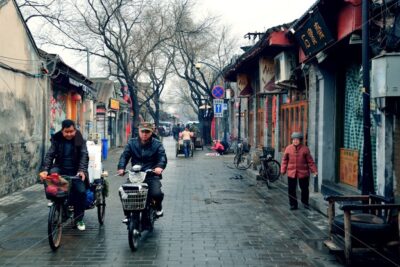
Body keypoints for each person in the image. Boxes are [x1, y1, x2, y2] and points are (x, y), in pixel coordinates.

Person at [40, 119, 89, 231]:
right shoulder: (57, 139)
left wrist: (82, 170)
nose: (69, 134)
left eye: (71, 131)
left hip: (76, 171)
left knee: (81, 192)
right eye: (66, 132)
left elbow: (83, 155)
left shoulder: (79, 139)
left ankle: (79, 219)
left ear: (75, 130)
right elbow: (50, 155)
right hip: (61, 168)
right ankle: (59, 209)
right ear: (62, 131)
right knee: (51, 179)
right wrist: (45, 170)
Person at [117, 122, 167, 217]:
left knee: (156, 194)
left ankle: (158, 207)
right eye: (142, 131)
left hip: (151, 175)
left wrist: (159, 167)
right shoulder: (132, 143)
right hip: (135, 175)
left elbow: (162, 157)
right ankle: (128, 215)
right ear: (139, 132)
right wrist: (121, 167)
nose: (144, 134)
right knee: (123, 192)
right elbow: (125, 156)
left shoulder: (157, 144)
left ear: (151, 132)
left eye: (147, 132)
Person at [281, 132, 318, 210]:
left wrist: (314, 170)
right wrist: (283, 169)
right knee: (291, 189)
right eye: (294, 139)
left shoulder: (305, 149)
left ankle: (305, 203)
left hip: (303, 172)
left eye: (297, 139)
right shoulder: (288, 148)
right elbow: (284, 160)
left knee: (304, 188)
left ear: (300, 140)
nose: (295, 141)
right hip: (291, 172)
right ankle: (293, 204)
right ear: (292, 140)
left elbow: (310, 161)